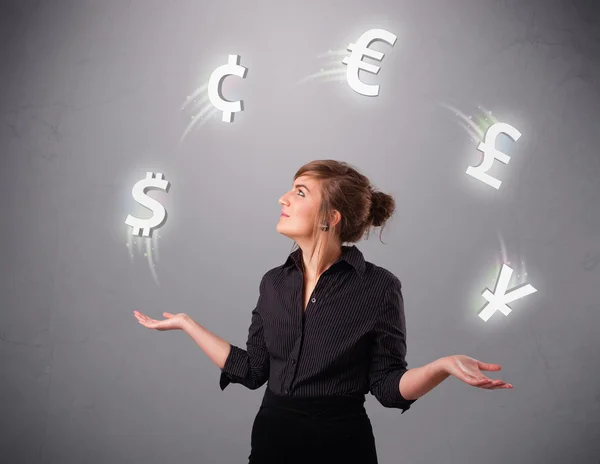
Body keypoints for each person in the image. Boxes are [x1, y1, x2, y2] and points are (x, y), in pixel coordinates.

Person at [134, 160, 513, 463]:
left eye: (299, 192)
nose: (283, 199)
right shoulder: (273, 283)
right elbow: (253, 371)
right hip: (272, 439)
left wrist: (440, 367)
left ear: (329, 217)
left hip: (342, 443)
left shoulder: (379, 287)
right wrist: (187, 324)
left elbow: (386, 386)